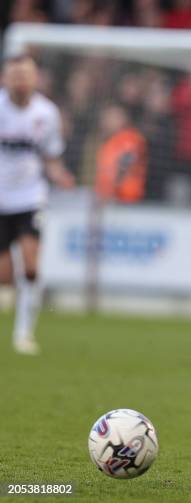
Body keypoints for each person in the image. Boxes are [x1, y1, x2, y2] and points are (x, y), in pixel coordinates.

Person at [0, 54, 74, 355]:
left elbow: (50, 156)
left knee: (31, 266)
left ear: (35, 78)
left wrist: (61, 175)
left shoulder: (47, 113)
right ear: (6, 78)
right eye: (15, 74)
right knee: (4, 274)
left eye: (25, 74)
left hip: (31, 198)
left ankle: (23, 334)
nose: (20, 80)